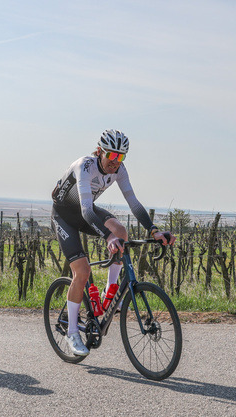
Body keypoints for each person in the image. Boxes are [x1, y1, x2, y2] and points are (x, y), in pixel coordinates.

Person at [51, 130, 175, 356]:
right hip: (65, 216)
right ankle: (72, 332)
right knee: (83, 271)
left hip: (85, 211)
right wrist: (108, 238)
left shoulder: (119, 170)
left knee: (121, 230)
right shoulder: (84, 166)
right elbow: (87, 210)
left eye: (121, 157)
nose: (116, 162)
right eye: (112, 156)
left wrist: (154, 230)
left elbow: (134, 203)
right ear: (99, 152)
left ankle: (111, 291)